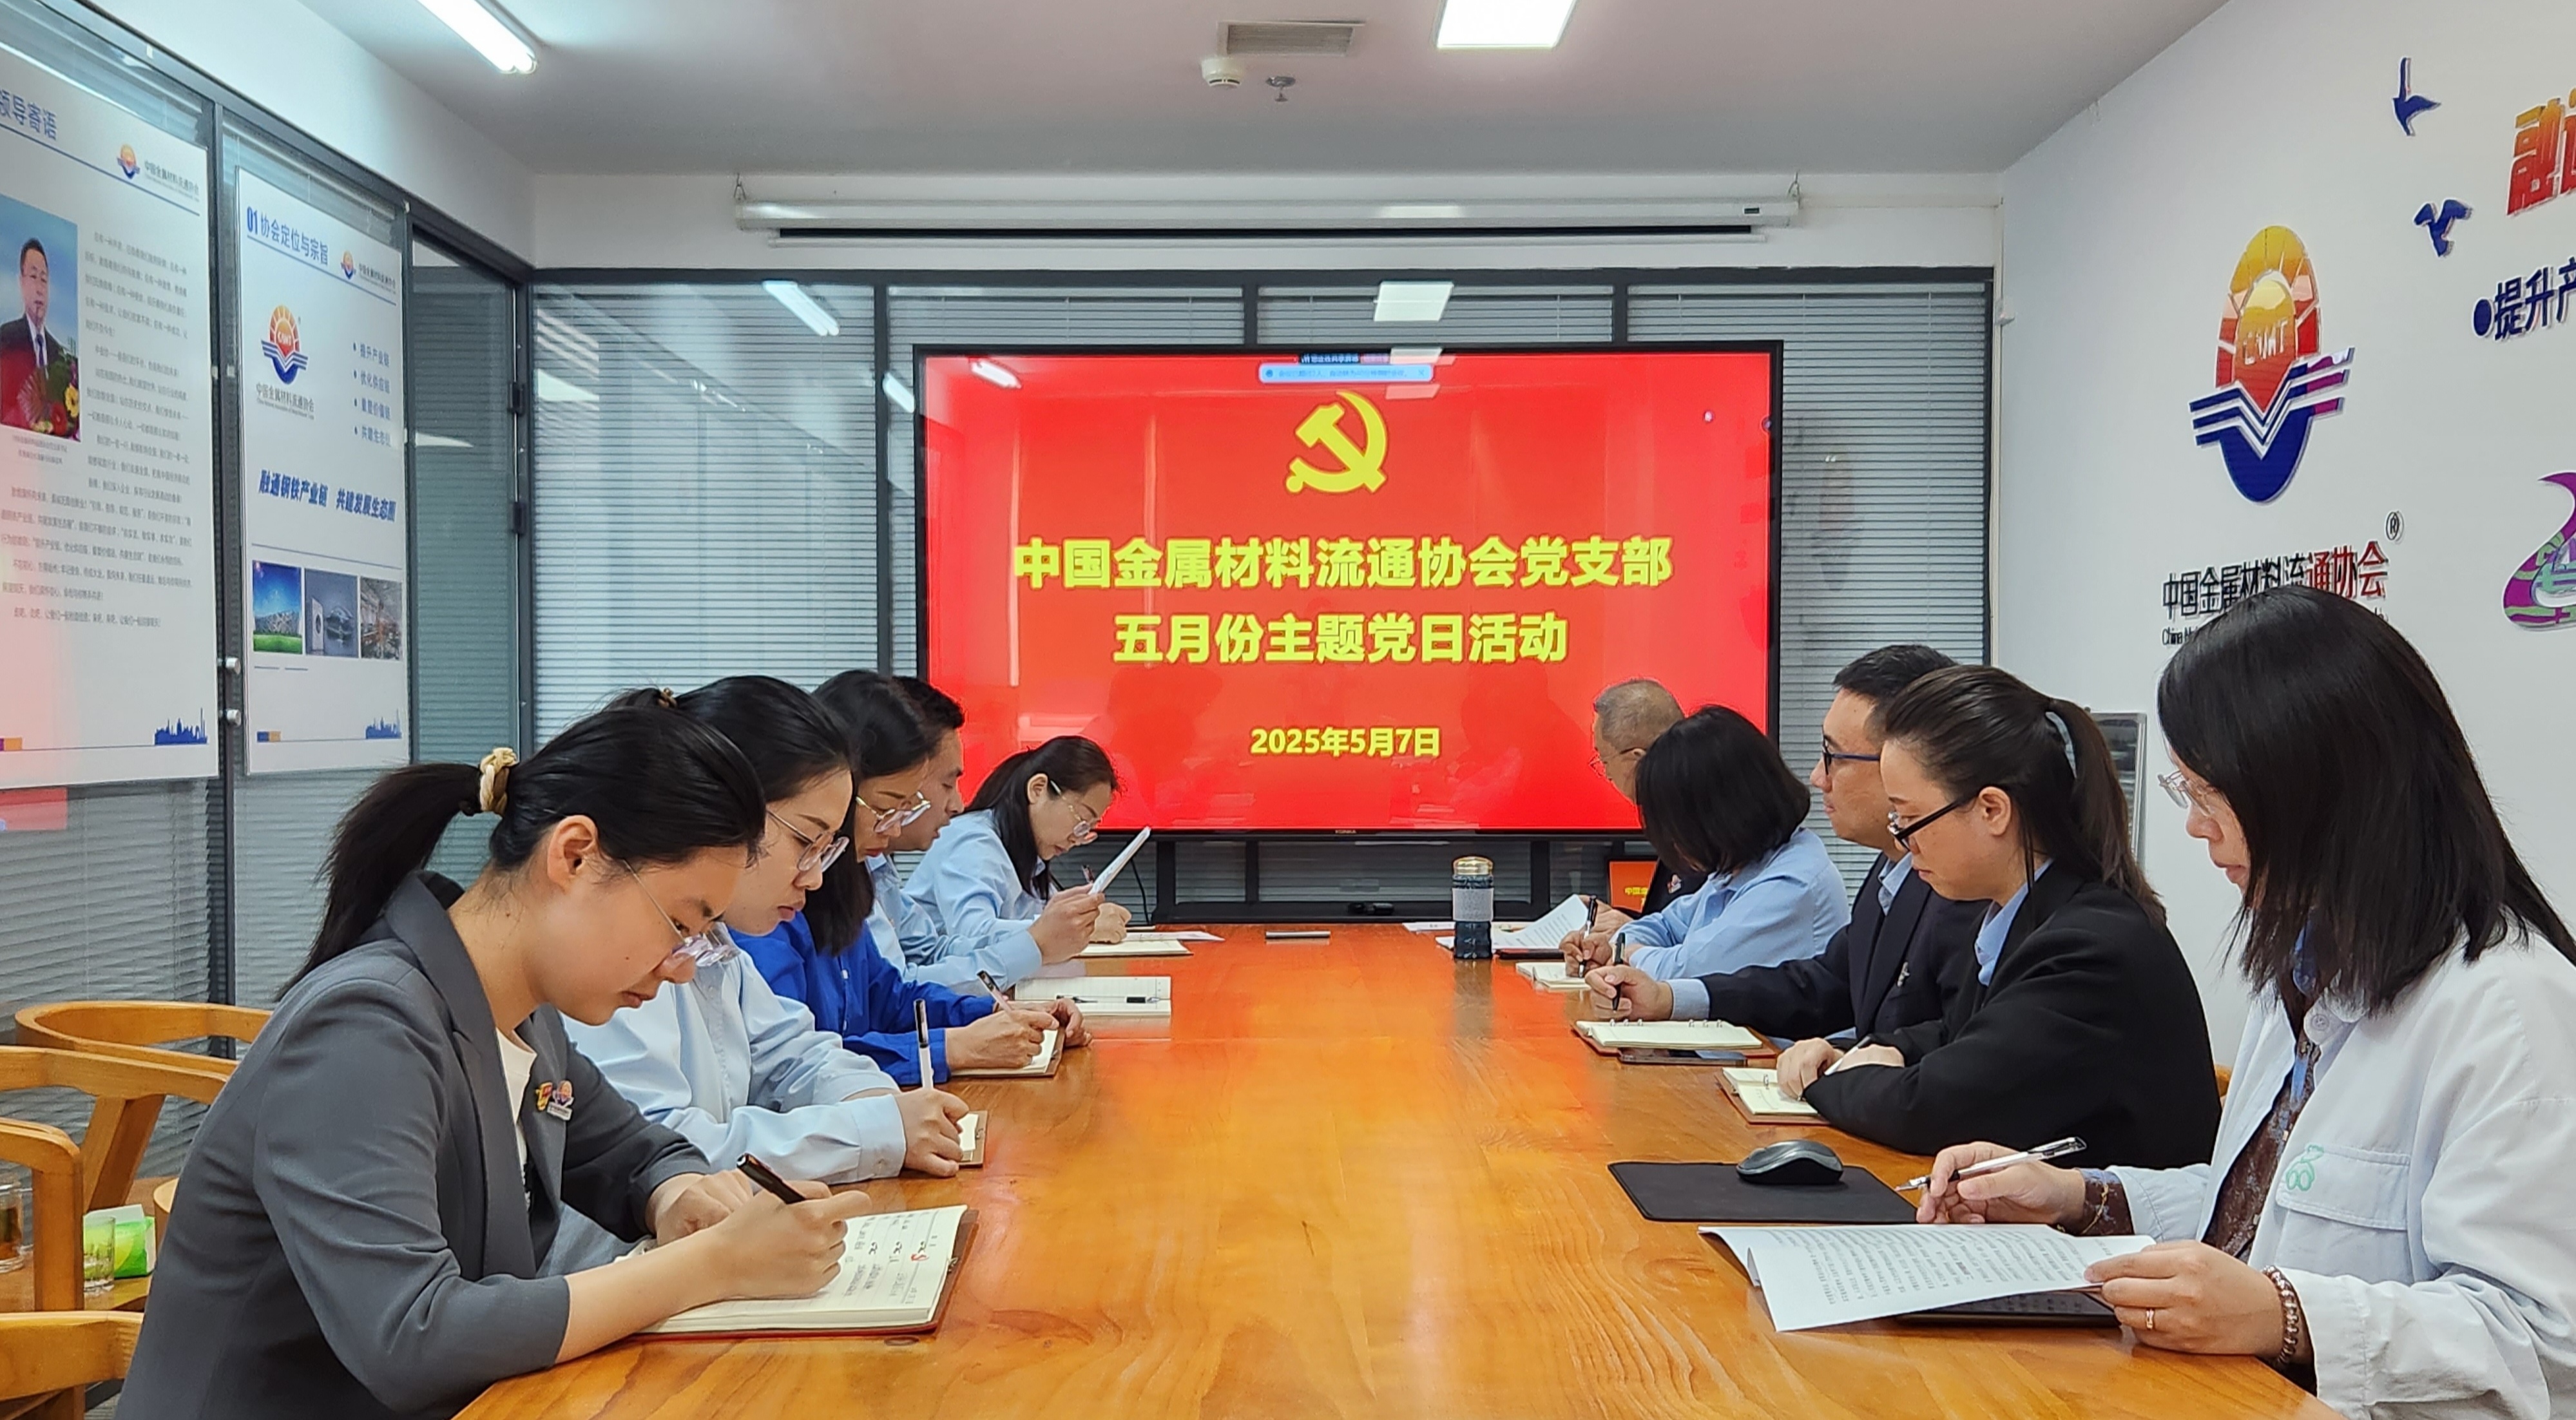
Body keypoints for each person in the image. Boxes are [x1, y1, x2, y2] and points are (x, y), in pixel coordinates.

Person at [1917, 588, 2576, 1419]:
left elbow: (2539, 1339)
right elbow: (2266, 1209)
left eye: (2206, 793)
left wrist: (2285, 1313)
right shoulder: (2307, 964)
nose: (2195, 828)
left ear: (2314, 790)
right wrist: (2077, 1195)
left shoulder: (2508, 1007)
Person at [122, 706, 874, 1419]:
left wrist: (678, 1195)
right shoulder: (366, 1025)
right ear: (573, 854)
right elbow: (412, 1334)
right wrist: (711, 1264)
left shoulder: (519, 1012)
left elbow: (631, 1150)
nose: (681, 967)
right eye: (679, 924)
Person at [552, 679, 972, 1272]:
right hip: (621, 1277)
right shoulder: (614, 948)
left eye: (827, 849)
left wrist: (882, 1108)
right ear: (726, 808)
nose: (815, 876)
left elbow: (797, 1054)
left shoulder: (717, 943)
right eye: (805, 841)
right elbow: (659, 1144)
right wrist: (874, 1129)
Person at [1793, 666, 2218, 1167]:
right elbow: (1968, 1036)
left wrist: (1824, 1082)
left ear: (1992, 810)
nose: (1904, 843)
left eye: (1909, 819)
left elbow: (1934, 1107)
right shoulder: (2024, 913)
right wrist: (1885, 1050)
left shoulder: (2091, 949)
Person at [1585, 646, 1982, 1041]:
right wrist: (1670, 999)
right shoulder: (1891, 871)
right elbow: (1823, 986)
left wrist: (1859, 1060)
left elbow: (1950, 1048)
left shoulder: (1961, 889)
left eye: (1834, 757)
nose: (1818, 777)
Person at [740, 669, 1088, 1080]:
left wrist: (997, 1011)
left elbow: (890, 998)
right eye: (888, 808)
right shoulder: (765, 907)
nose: (893, 828)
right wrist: (953, 1047)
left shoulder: (847, 882)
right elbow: (794, 1066)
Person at [1562, 705, 1848, 980]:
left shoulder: (1791, 885)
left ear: (1716, 819)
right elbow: (1666, 926)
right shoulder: (1741, 864)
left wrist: (1624, 955)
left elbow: (1690, 970)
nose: (1676, 844)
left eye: (1677, 829)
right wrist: (1612, 947)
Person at [906, 735, 1124, 988]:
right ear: (1038, 789)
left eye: (1089, 829)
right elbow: (971, 934)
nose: (1078, 838)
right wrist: (1063, 929)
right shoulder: (973, 842)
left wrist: (1079, 920)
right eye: (1082, 820)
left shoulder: (1028, 854)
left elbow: (1043, 922)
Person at [1582, 678, 1700, 933]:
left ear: (1637, 760)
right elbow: (1675, 920)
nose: (1606, 773)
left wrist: (1632, 929)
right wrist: (1619, 918)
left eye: (1604, 760)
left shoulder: (1703, 824)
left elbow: (1709, 936)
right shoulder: (1676, 811)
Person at [0, 237, 76, 438]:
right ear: (22, 282)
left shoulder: (61, 357)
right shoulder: (6, 340)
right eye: (33, 277)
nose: (40, 289)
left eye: (44, 279)